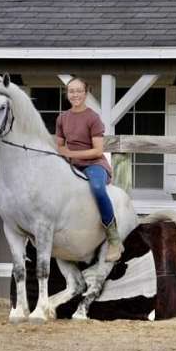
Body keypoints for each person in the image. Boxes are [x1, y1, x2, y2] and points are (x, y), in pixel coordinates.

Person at [55, 77, 123, 262]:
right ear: (67, 94)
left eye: (79, 91)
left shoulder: (93, 118)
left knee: (98, 190)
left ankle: (114, 239)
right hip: (70, 165)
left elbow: (98, 150)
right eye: (71, 91)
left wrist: (72, 155)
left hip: (94, 165)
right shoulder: (62, 118)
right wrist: (67, 154)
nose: (75, 94)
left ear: (86, 93)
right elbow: (59, 146)